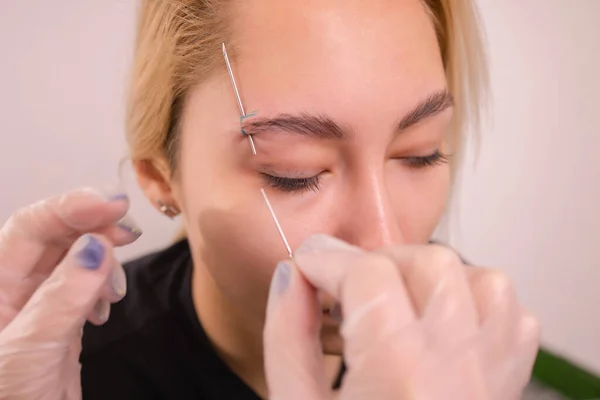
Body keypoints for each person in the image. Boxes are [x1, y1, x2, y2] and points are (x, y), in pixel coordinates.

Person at [0, 0, 541, 399]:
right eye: (295, 173)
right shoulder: (78, 371)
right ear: (162, 179)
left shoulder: (463, 334)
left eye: (419, 154)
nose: (385, 243)